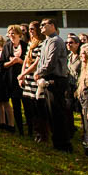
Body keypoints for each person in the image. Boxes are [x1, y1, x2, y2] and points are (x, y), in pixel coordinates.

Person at [35, 18, 72, 152]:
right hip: (47, 79)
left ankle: (63, 143)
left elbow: (51, 62)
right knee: (51, 112)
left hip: (56, 80)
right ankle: (56, 141)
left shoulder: (56, 41)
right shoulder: (46, 42)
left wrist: (39, 72)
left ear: (52, 26)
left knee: (57, 112)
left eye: (43, 25)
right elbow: (41, 60)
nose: (41, 28)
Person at [18, 20, 46, 141]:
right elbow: (26, 60)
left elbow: (36, 63)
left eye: (32, 29)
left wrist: (24, 73)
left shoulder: (42, 43)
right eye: (29, 29)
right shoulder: (30, 43)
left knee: (38, 107)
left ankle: (41, 133)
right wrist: (22, 75)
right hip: (27, 79)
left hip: (35, 78)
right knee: (29, 107)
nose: (30, 31)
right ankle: (33, 130)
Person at [2, 25, 28, 136]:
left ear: (19, 34)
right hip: (12, 79)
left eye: (13, 33)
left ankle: (30, 128)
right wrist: (12, 62)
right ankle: (20, 129)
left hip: (24, 78)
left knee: (27, 105)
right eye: (10, 33)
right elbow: (3, 64)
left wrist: (19, 61)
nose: (11, 35)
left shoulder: (26, 46)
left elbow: (30, 62)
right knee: (16, 105)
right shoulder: (7, 46)